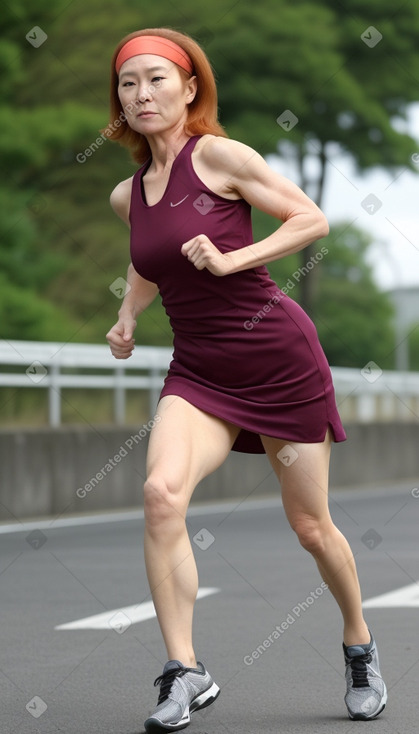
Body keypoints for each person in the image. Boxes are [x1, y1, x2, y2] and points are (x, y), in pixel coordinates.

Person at [105, 28, 387, 733]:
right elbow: (149, 263)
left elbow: (309, 217)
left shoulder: (220, 157)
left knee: (310, 527)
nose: (141, 94)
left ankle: (358, 642)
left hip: (275, 360)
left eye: (156, 79)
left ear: (190, 87)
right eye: (127, 83)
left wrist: (235, 260)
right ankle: (184, 670)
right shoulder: (127, 194)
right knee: (159, 495)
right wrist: (126, 315)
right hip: (198, 368)